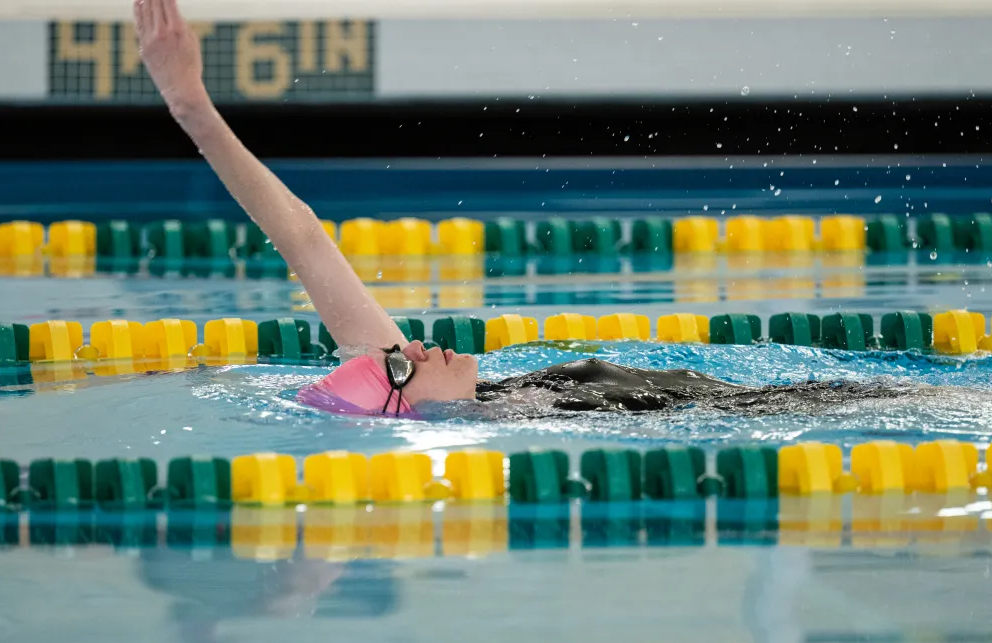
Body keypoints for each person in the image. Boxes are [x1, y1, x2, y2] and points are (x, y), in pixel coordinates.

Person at [134, 0, 914, 417]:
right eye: (399, 364)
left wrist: (191, 105)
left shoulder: (450, 394)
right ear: (406, 411)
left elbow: (301, 237)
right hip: (781, 407)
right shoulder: (506, 426)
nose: (418, 346)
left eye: (394, 352)